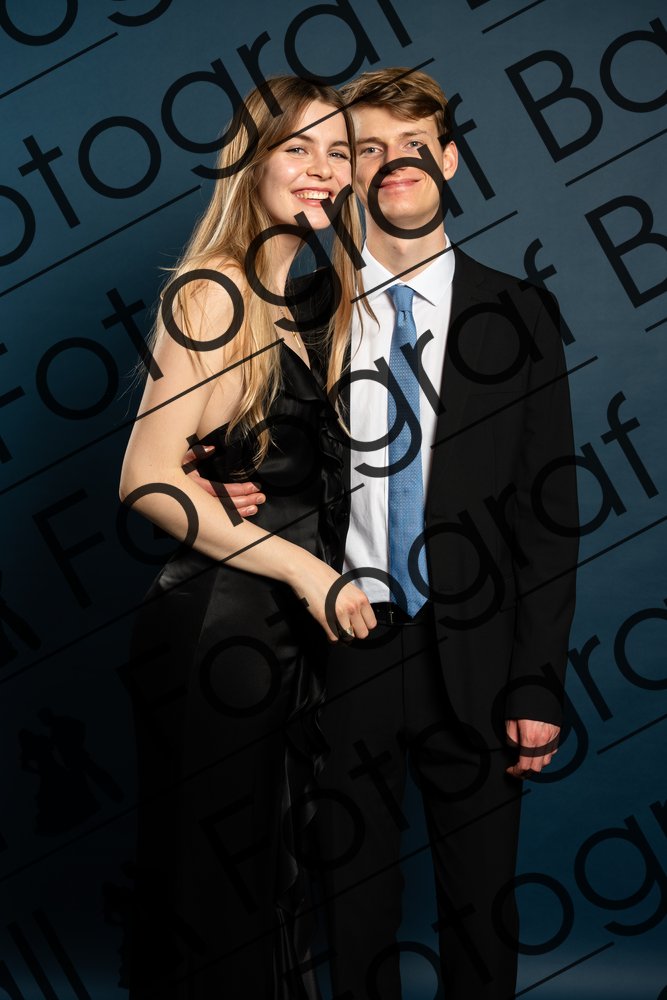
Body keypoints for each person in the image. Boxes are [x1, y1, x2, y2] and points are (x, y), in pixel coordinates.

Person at [199, 67, 579, 999]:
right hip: (341, 645)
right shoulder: (302, 312)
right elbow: (242, 442)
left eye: (414, 145)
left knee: (480, 905)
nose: (393, 162)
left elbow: (547, 516)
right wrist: (214, 478)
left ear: (448, 160)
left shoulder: (519, 312)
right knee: (350, 903)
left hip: (479, 657)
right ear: (348, 176)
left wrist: (537, 681)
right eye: (366, 148)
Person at [118, 75, 376, 1000]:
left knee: (269, 882)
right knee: (216, 892)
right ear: (252, 163)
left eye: (337, 151)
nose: (320, 168)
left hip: (287, 636)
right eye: (296, 147)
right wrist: (306, 571)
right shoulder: (211, 292)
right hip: (223, 632)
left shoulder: (303, 304)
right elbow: (145, 476)